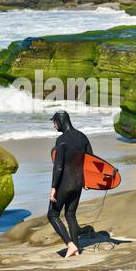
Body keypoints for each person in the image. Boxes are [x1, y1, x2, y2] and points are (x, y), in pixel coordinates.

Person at [47, 110, 93, 258]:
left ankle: (70, 245)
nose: (54, 126)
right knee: (70, 214)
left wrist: (54, 187)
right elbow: (91, 160)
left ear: (60, 121)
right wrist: (87, 181)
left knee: (52, 214)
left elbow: (58, 166)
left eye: (54, 122)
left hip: (64, 183)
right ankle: (77, 247)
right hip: (78, 182)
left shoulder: (62, 140)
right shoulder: (82, 137)